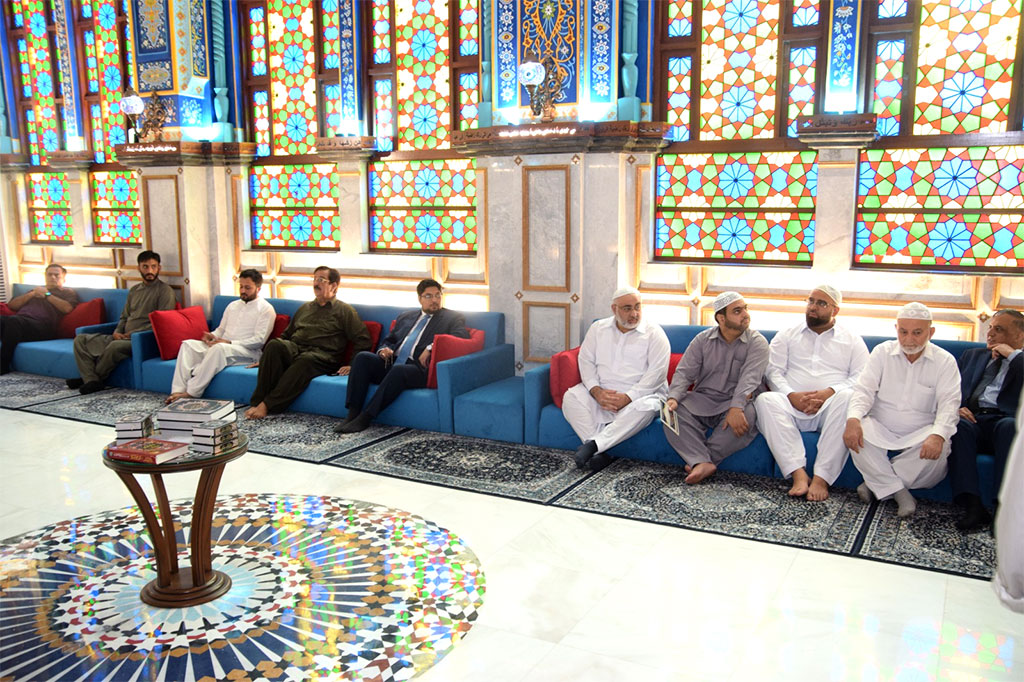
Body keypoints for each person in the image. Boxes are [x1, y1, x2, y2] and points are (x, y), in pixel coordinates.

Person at [844, 302, 960, 518]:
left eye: (917, 333)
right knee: (856, 431)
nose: (909, 340)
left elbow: (949, 404)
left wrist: (937, 435)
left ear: (931, 332)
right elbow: (864, 390)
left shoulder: (945, 361)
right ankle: (900, 493)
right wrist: (853, 419)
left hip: (921, 431)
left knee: (941, 448)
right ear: (896, 329)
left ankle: (875, 483)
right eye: (903, 332)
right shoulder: (882, 352)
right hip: (880, 426)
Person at [755, 285, 869, 501]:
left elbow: (862, 376)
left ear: (835, 310)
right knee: (765, 400)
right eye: (811, 301)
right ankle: (798, 474)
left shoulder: (852, 339)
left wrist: (829, 392)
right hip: (792, 404)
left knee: (847, 398)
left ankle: (821, 479)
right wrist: (791, 396)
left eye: (821, 303)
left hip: (830, 408)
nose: (813, 307)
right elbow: (772, 371)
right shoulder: (787, 334)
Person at [335, 279, 469, 433]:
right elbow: (389, 340)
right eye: (429, 296)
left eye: (438, 295)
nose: (434, 300)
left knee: (399, 371)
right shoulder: (406, 316)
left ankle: (365, 417)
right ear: (419, 298)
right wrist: (384, 350)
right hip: (392, 362)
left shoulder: (452, 317)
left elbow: (460, 337)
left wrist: (431, 347)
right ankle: (352, 413)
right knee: (362, 357)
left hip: (419, 369)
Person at [663, 291, 769, 484]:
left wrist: (736, 408)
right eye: (737, 311)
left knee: (749, 417)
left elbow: (750, 380)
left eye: (745, 308)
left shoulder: (757, 342)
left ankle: (701, 461)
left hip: (737, 401)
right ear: (721, 318)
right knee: (668, 413)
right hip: (704, 399)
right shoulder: (702, 340)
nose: (745, 314)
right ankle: (702, 462)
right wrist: (673, 398)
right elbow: (685, 372)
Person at [563, 287, 670, 472]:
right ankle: (599, 453)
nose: (634, 314)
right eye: (627, 308)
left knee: (647, 408)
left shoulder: (655, 333)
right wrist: (596, 392)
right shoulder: (598, 329)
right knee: (570, 398)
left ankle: (592, 446)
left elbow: (657, 375)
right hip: (603, 393)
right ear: (614, 309)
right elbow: (586, 361)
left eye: (638, 307)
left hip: (641, 396)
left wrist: (628, 397)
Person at [245, 266, 370, 419]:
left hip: (323, 356)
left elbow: (362, 339)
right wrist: (267, 359)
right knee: (274, 345)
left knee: (305, 360)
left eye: (321, 280)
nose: (316, 283)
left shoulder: (344, 311)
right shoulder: (305, 308)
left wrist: (352, 364)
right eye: (314, 279)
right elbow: (287, 335)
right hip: (297, 349)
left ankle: (268, 405)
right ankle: (256, 402)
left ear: (334, 285)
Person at [948, 309, 1022, 531]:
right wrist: (957, 407)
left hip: (1006, 421)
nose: (990, 334)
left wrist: (1013, 355)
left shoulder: (1021, 361)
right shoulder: (972, 355)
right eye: (990, 327)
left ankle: (1003, 508)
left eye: (999, 329)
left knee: (1009, 427)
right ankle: (973, 506)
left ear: (1020, 336)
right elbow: (950, 389)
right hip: (974, 419)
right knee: (958, 426)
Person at [68, 250, 175, 394]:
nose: (150, 271)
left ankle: (91, 380)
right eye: (145, 267)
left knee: (115, 346)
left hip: (142, 339)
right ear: (138, 268)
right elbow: (124, 316)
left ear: (159, 268)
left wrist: (132, 334)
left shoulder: (164, 291)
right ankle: (91, 379)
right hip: (122, 336)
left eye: (153, 266)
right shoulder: (134, 290)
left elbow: (163, 321)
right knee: (80, 340)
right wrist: (117, 331)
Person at [166, 269, 276, 403]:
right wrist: (211, 336)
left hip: (249, 352)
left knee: (219, 349)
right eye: (241, 286)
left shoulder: (266, 309)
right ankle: (177, 390)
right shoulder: (232, 306)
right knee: (188, 344)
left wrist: (229, 342)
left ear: (258, 288)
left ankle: (192, 392)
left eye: (247, 288)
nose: (243, 291)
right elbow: (221, 329)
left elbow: (259, 341)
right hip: (223, 346)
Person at [1, 263, 79, 375]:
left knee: (14, 321)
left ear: (64, 279)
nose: (52, 277)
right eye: (49, 275)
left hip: (43, 327)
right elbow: (12, 306)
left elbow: (67, 308)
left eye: (56, 275)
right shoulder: (35, 290)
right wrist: (32, 294)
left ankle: (3, 365)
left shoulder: (67, 292)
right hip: (22, 322)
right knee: (8, 321)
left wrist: (47, 294)